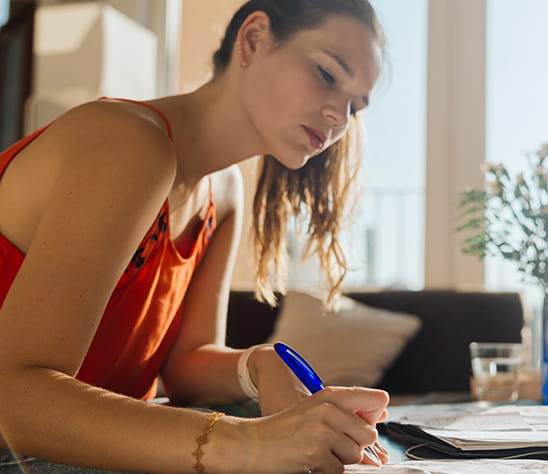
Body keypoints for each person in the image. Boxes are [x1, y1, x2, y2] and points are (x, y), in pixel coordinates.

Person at [0, 0, 389, 472]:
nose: (339, 117)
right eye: (328, 74)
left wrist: (259, 365)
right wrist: (251, 443)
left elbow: (184, 364)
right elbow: (15, 400)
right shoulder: (128, 143)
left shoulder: (224, 192)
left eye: (355, 105)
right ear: (253, 39)